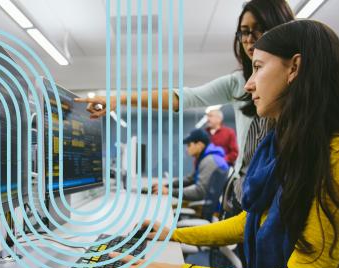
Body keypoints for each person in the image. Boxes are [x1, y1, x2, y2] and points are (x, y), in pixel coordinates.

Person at [101, 20, 339, 268]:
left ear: (294, 68)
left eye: (258, 68)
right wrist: (173, 234)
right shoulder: (286, 145)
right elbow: (252, 220)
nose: (249, 84)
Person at [75, 0, 295, 216]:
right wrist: (118, 99)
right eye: (243, 32)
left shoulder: (305, 94)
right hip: (248, 197)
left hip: (283, 198)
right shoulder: (239, 83)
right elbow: (185, 97)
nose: (249, 41)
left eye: (258, 31)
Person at [152, 129, 228, 217]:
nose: (187, 149)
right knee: (169, 208)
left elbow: (199, 191)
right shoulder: (206, 158)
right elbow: (190, 179)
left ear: (199, 145)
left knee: (166, 211)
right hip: (206, 205)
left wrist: (169, 191)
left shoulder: (210, 161)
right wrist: (166, 186)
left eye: (189, 145)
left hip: (212, 211)